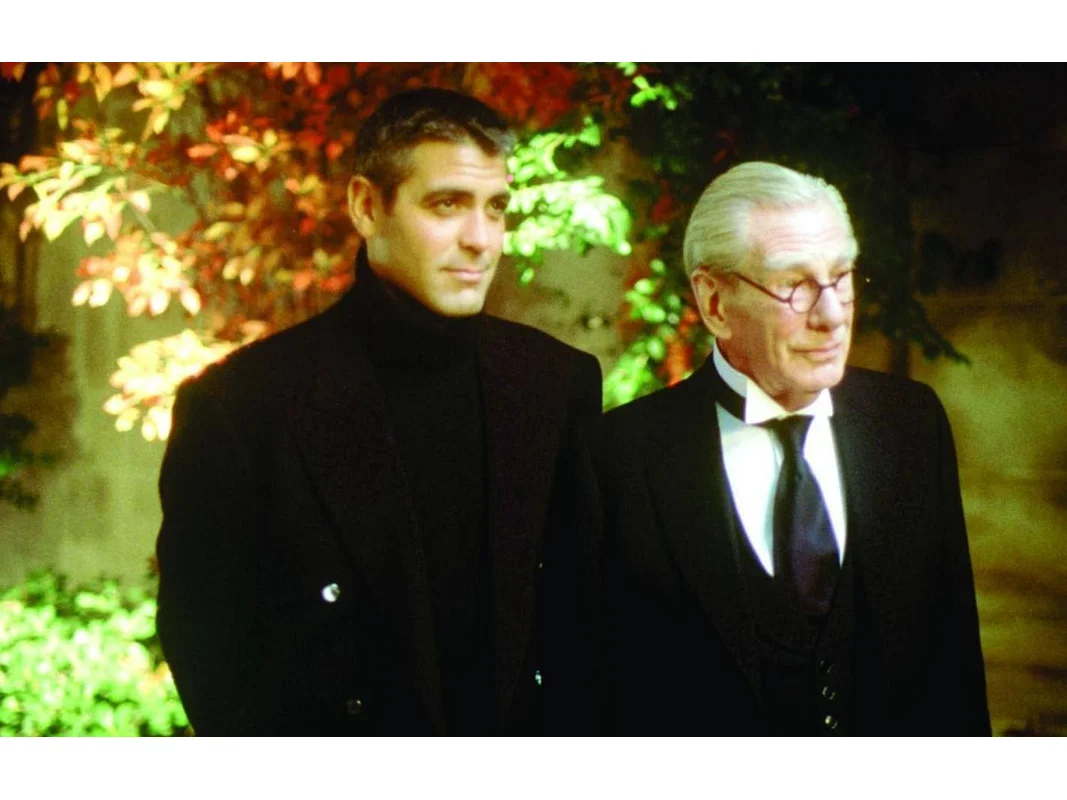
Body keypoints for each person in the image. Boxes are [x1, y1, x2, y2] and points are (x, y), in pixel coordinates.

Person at [155, 88, 602, 735]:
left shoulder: (556, 384)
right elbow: (214, 666)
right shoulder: (240, 408)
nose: (480, 240)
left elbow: (584, 628)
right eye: (446, 204)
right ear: (367, 207)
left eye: (496, 208)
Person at [591, 161, 990, 734]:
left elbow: (954, 672)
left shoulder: (910, 424)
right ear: (715, 303)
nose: (831, 316)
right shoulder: (619, 457)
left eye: (841, 277)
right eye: (794, 285)